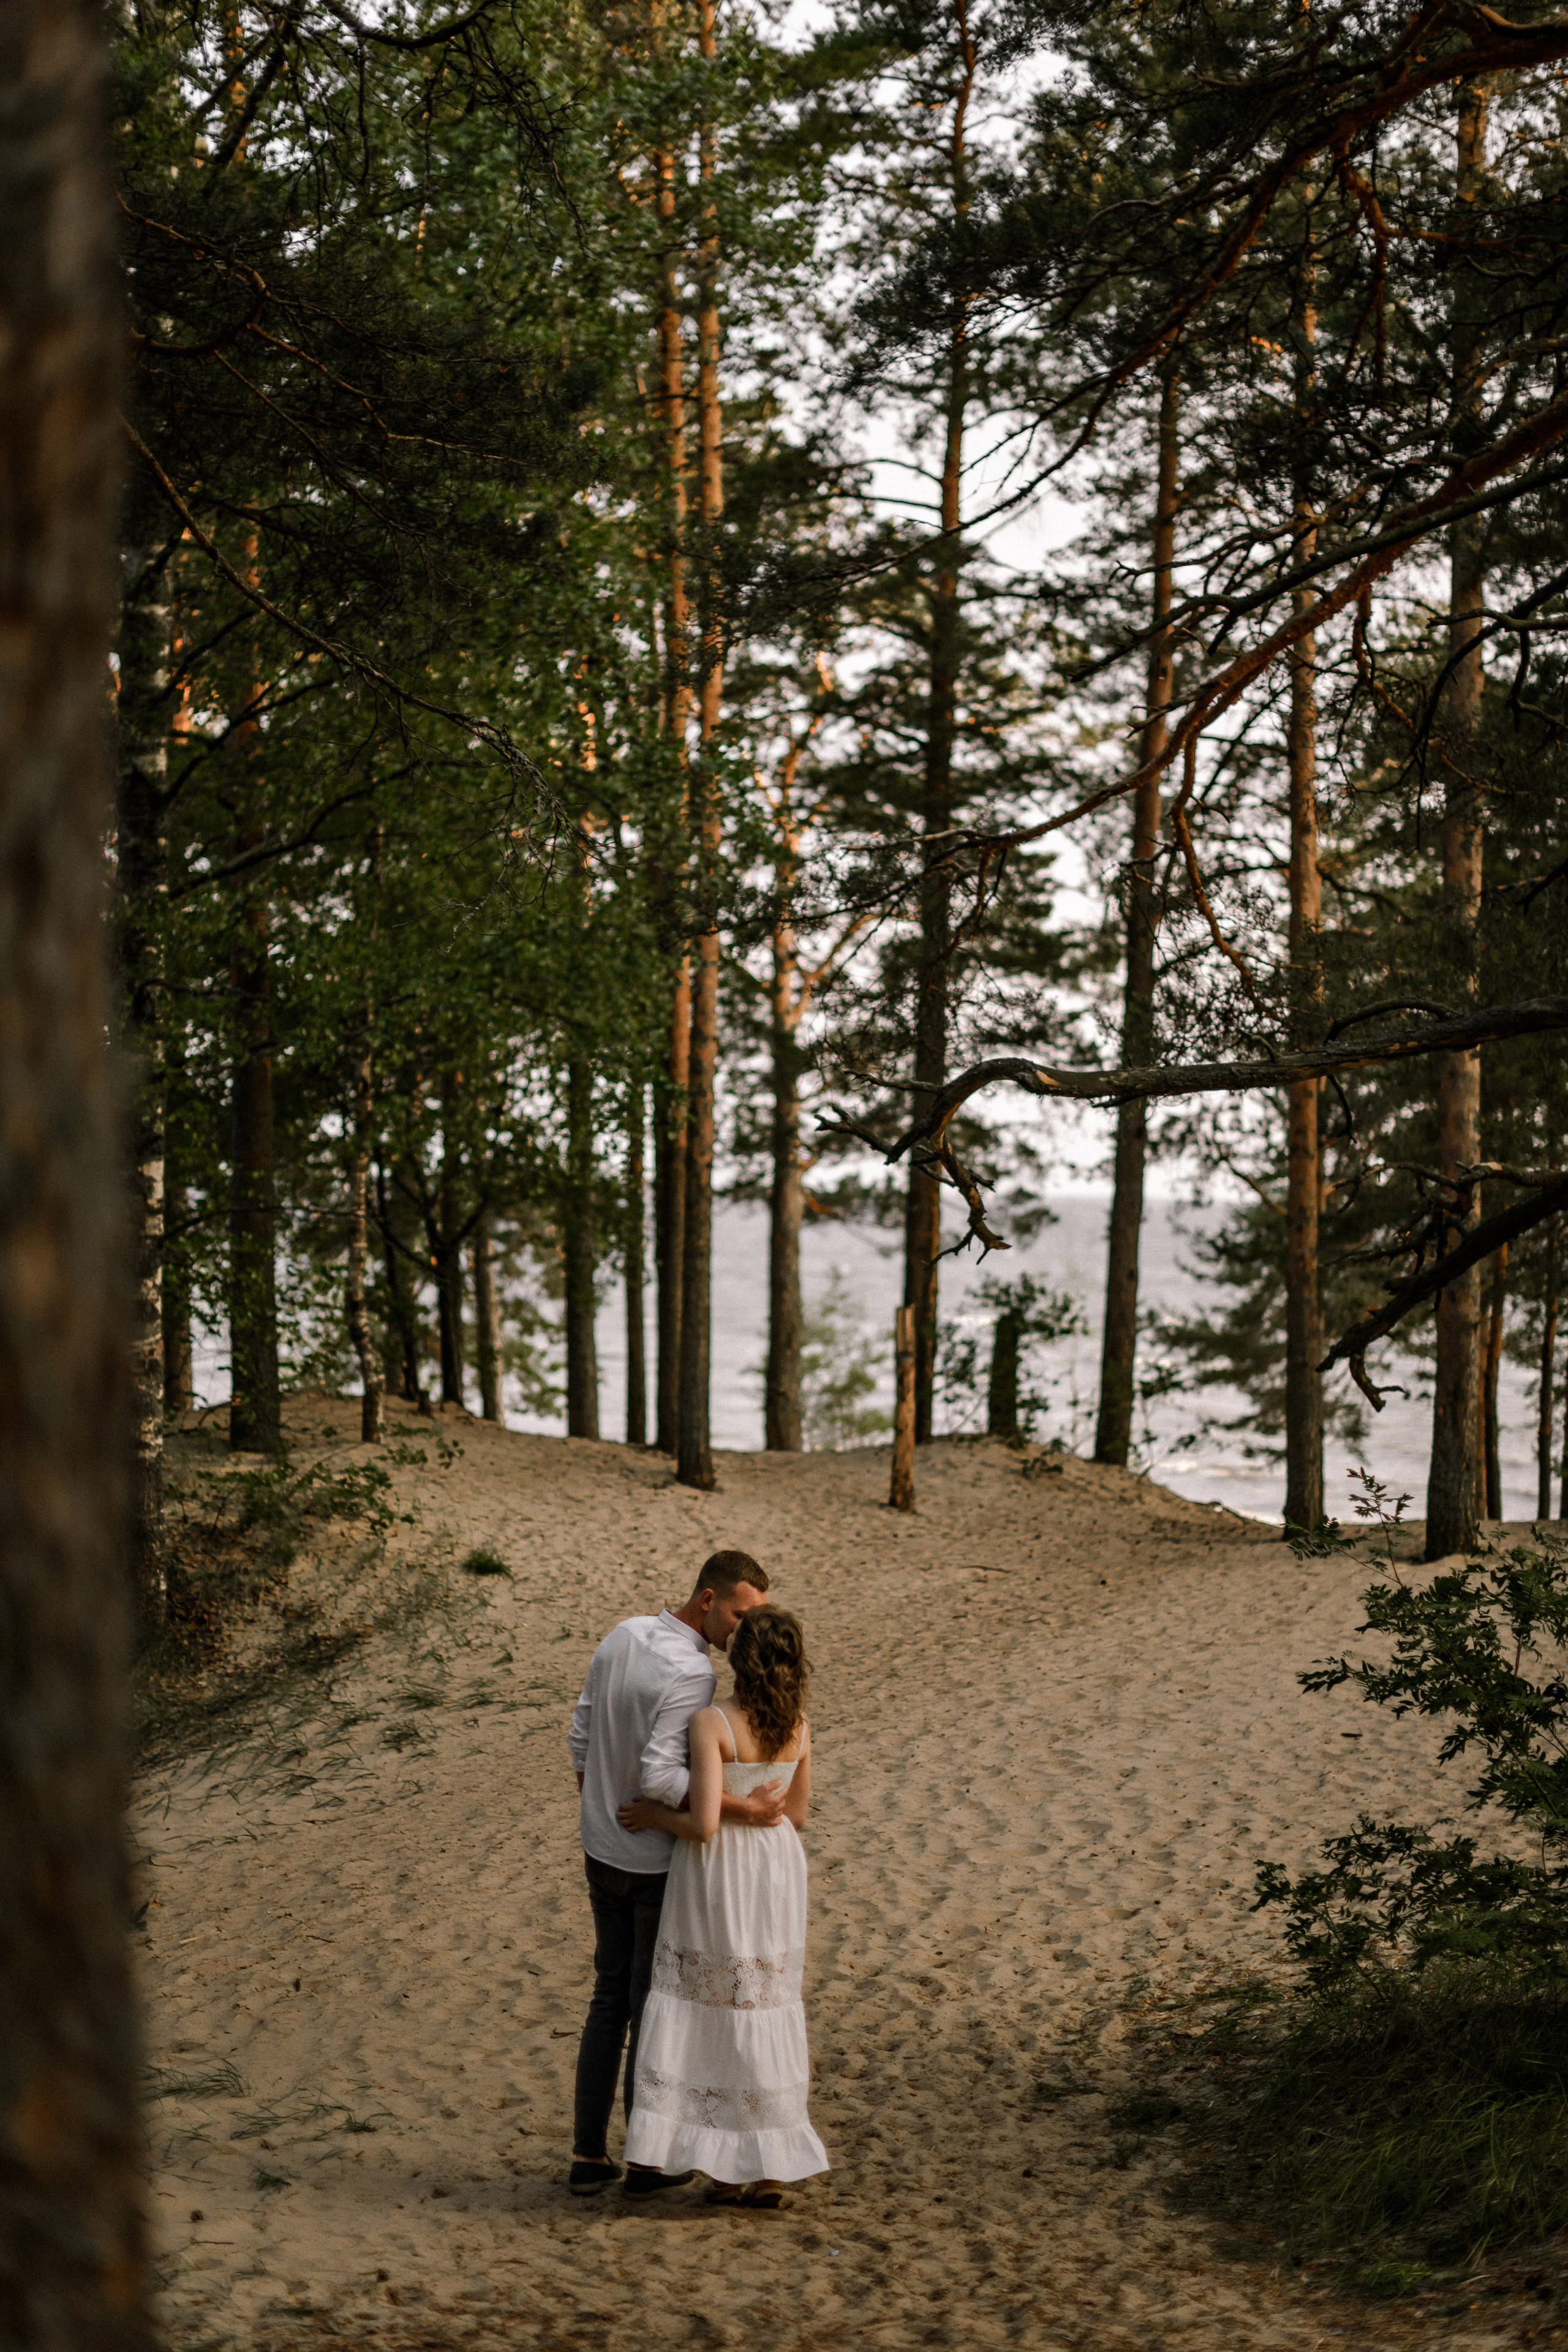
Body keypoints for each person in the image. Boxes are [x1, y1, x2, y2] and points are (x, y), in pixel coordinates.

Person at [566, 1550, 783, 2199]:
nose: (744, 1633)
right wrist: (738, 1803)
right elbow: (661, 1776)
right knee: (649, 2006)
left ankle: (586, 2153)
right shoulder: (693, 1673)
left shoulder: (623, 1633)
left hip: (601, 1845)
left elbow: (580, 1734)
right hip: (654, 1859)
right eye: (741, 1616)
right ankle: (645, 2160)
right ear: (708, 1601)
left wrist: (598, 1804)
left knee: (607, 2000)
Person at [616, 1604, 829, 2211]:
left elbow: (704, 1825)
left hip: (721, 1874)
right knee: (763, 1998)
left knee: (715, 2002)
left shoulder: (713, 1722)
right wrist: (761, 1811)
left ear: (739, 1659)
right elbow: (797, 1815)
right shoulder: (801, 1725)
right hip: (776, 1871)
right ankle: (767, 2170)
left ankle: (726, 2169)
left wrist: (657, 1815)